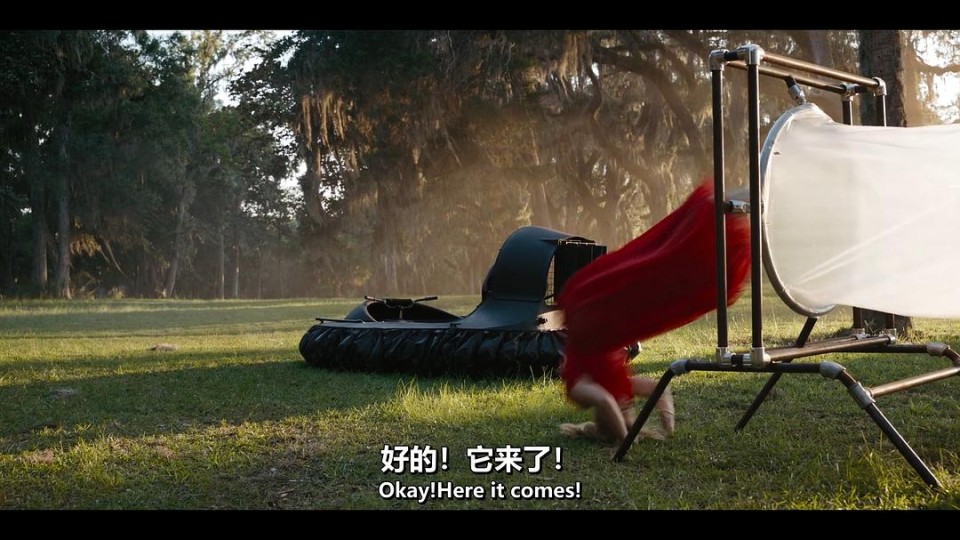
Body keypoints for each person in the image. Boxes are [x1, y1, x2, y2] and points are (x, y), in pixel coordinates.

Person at [556, 180, 751, 445]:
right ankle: (727, 217)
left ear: (607, 419)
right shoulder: (621, 388)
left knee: (650, 263)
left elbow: (605, 401)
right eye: (630, 409)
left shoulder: (580, 393)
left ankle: (710, 208)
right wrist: (668, 424)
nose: (628, 405)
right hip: (614, 326)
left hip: (591, 317)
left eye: (625, 411)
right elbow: (661, 390)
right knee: (669, 277)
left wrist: (626, 440)